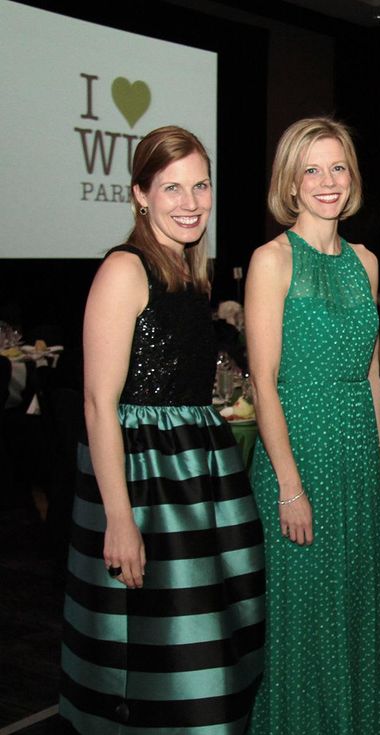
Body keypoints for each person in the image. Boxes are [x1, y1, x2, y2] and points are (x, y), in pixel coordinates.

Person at [60, 126, 265, 733]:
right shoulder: (126, 269)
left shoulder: (185, 271)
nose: (191, 201)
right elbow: (100, 404)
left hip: (194, 470)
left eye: (200, 185)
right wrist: (120, 519)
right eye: (172, 187)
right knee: (168, 644)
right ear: (139, 195)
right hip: (145, 482)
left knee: (212, 635)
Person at [244, 116, 380, 734]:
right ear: (292, 181)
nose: (327, 181)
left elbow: (374, 377)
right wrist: (289, 485)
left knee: (355, 612)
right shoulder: (271, 260)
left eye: (338, 167)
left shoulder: (368, 261)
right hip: (296, 457)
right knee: (301, 617)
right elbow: (263, 382)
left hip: (357, 456)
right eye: (312, 169)